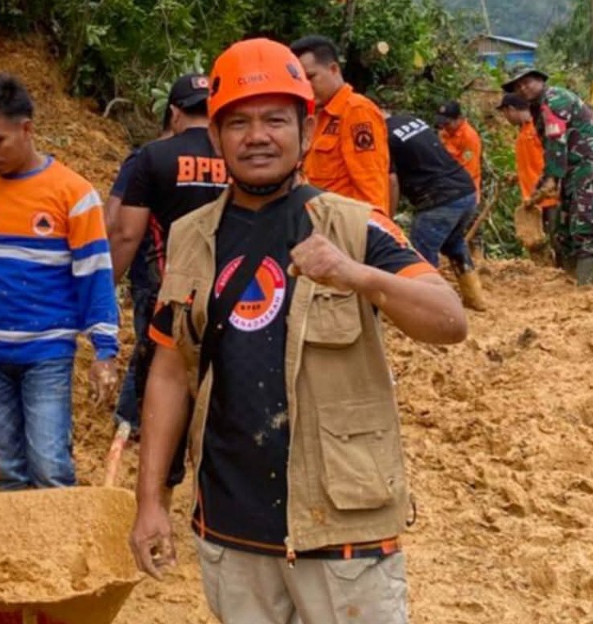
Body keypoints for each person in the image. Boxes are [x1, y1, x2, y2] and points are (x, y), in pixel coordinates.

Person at [129, 38, 468, 624]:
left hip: (341, 528)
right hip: (231, 526)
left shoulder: (355, 226)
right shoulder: (190, 237)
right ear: (216, 138)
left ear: (306, 131)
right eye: (238, 123)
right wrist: (149, 500)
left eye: (275, 120)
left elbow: (449, 320)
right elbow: (168, 372)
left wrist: (355, 274)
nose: (257, 136)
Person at [0, 74, 119, 490]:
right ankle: (9, 534)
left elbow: (94, 274)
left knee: (49, 466)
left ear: (26, 128)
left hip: (47, 352)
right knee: (0, 466)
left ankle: (58, 535)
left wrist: (105, 349)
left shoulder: (73, 193)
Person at [109, 73, 226, 433]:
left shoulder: (153, 156)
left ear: (174, 113)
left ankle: (139, 423)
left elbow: (127, 233)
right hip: (224, 282)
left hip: (163, 282)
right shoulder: (235, 156)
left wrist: (105, 286)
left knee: (155, 356)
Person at [505, 65, 593, 285]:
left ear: (540, 80)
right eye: (517, 86)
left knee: (585, 225)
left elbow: (556, 142)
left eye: (527, 82)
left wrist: (551, 179)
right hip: (573, 171)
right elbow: (549, 151)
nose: (523, 88)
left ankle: (586, 287)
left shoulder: (554, 100)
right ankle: (569, 283)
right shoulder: (537, 108)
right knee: (563, 231)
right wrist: (542, 183)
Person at [106, 123, 173, 432]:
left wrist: (105, 283)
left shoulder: (147, 158)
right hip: (180, 275)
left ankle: (132, 418)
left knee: (149, 346)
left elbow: (117, 223)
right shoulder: (219, 156)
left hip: (153, 272)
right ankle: (136, 418)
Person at [386, 111, 487, 310]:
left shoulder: (382, 134)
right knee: (454, 243)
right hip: (465, 190)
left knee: (421, 255)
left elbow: (392, 181)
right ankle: (475, 298)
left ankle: (430, 307)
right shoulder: (411, 120)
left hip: (439, 199)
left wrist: (387, 216)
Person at [292, 35, 392, 214]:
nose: (306, 86)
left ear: (334, 69)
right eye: (300, 81)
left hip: (347, 223)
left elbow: (371, 185)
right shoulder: (318, 117)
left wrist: (370, 227)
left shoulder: (357, 111)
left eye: (311, 77)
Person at [497, 92, 560, 260]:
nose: (505, 118)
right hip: (532, 200)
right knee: (537, 245)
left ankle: (565, 272)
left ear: (511, 110)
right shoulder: (523, 131)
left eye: (504, 113)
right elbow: (534, 163)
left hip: (549, 198)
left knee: (556, 241)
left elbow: (554, 160)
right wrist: (517, 176)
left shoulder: (539, 127)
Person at [436, 100, 483, 196]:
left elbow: (469, 171)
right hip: (447, 185)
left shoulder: (469, 137)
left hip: (466, 189)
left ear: (459, 119)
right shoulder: (444, 132)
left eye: (447, 123)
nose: (443, 127)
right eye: (442, 123)